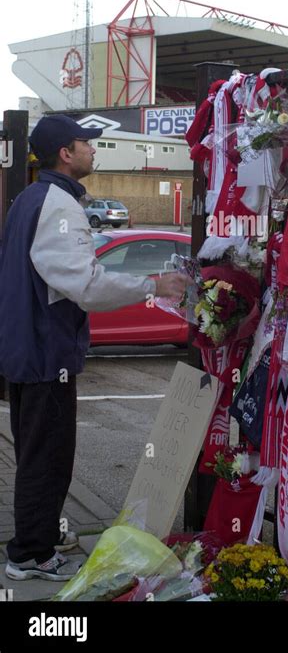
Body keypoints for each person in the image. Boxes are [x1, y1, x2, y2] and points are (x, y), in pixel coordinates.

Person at [0, 114, 191, 581]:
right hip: (48, 353)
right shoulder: (58, 206)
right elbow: (85, 285)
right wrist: (155, 283)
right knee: (48, 457)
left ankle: (34, 534)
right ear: (66, 153)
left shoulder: (30, 198)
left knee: (34, 453)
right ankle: (31, 555)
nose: (93, 150)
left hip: (27, 350)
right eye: (87, 144)